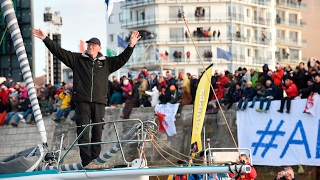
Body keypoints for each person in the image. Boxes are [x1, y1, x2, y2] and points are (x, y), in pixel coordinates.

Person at [32, 29, 141, 170]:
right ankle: (86, 162)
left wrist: (131, 45)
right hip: (82, 101)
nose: (90, 47)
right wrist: (45, 38)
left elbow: (122, 58)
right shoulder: (77, 59)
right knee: (83, 131)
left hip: (99, 101)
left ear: (99, 48)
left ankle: (95, 160)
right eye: (89, 45)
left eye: (94, 45)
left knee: (97, 131)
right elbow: (59, 51)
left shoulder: (106, 62)